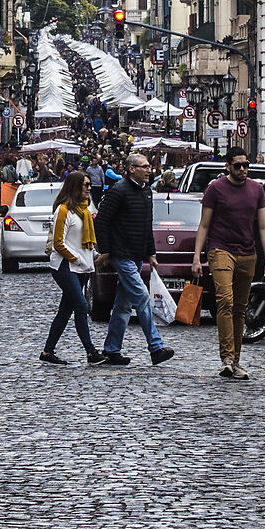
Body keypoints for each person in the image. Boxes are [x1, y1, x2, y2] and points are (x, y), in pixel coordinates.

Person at [192, 148, 265, 381]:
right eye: (238, 165)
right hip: (220, 250)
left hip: (248, 253)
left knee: (240, 307)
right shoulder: (215, 189)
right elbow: (204, 225)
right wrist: (197, 257)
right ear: (227, 166)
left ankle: (235, 361)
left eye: (246, 165)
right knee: (225, 301)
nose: (243, 169)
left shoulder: (257, 190)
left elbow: (263, 226)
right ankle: (227, 358)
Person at [94, 150, 173, 367]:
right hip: (122, 254)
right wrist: (106, 250)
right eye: (144, 167)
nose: (149, 170)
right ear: (131, 169)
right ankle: (155, 347)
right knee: (142, 297)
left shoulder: (146, 192)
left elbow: (147, 225)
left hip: (137, 255)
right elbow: (101, 222)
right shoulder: (118, 191)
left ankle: (112, 349)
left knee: (123, 305)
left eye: (148, 166)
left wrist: (151, 253)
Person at [42, 172, 101, 365]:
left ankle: (47, 351)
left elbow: (84, 242)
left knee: (65, 310)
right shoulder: (63, 210)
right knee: (81, 306)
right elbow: (59, 243)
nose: (89, 188)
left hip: (82, 267)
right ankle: (91, 352)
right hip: (65, 266)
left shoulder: (85, 210)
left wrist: (94, 256)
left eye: (90, 184)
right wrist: (77, 259)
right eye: (86, 185)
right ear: (75, 187)